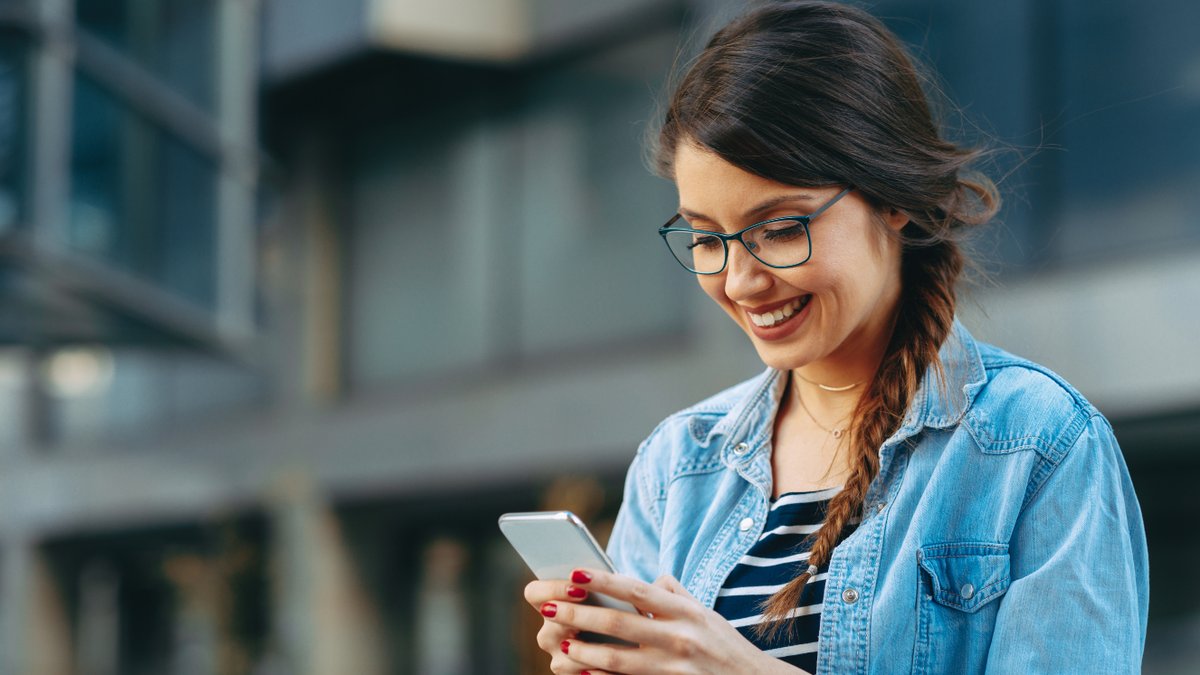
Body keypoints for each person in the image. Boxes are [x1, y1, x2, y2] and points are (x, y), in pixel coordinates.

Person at [523, 1, 1149, 673]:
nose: (739, 280)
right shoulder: (677, 467)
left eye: (782, 229)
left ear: (892, 196)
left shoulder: (1038, 445)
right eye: (707, 238)